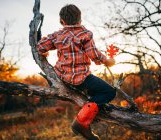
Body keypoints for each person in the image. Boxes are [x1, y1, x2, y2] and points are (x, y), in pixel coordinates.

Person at [36, 4, 116, 140]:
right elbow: (94, 55)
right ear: (80, 19)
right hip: (82, 79)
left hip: (62, 78)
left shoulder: (57, 35)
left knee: (94, 94)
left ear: (62, 21)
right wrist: (108, 61)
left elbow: (40, 46)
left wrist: (45, 53)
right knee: (109, 92)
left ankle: (89, 113)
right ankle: (81, 122)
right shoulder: (85, 34)